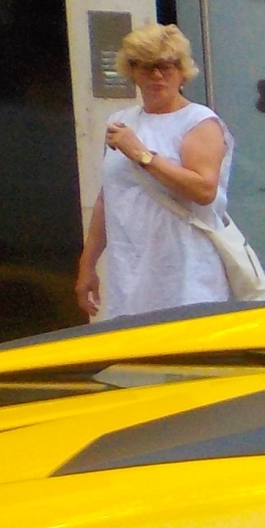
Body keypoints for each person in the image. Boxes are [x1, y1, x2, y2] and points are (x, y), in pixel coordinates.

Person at [77, 23, 239, 321]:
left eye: (165, 66)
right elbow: (107, 198)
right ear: (132, 71)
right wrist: (88, 266)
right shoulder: (121, 121)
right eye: (146, 67)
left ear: (181, 71)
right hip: (129, 274)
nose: (156, 76)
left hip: (186, 275)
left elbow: (204, 190)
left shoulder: (199, 121)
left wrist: (141, 154)